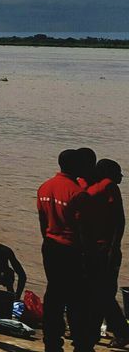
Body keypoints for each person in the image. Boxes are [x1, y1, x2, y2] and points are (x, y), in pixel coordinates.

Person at [38, 149, 94, 352]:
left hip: (50, 246)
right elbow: (84, 230)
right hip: (72, 250)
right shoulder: (78, 193)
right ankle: (80, 344)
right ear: (76, 166)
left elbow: (42, 220)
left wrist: (48, 241)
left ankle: (51, 341)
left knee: (53, 295)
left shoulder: (45, 187)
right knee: (77, 299)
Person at [80, 159, 129, 348]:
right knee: (103, 293)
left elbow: (119, 221)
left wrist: (112, 248)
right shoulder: (107, 186)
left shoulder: (102, 187)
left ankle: (119, 332)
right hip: (103, 251)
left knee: (103, 293)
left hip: (104, 251)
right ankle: (115, 332)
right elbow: (119, 220)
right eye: (118, 171)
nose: (121, 176)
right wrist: (113, 247)